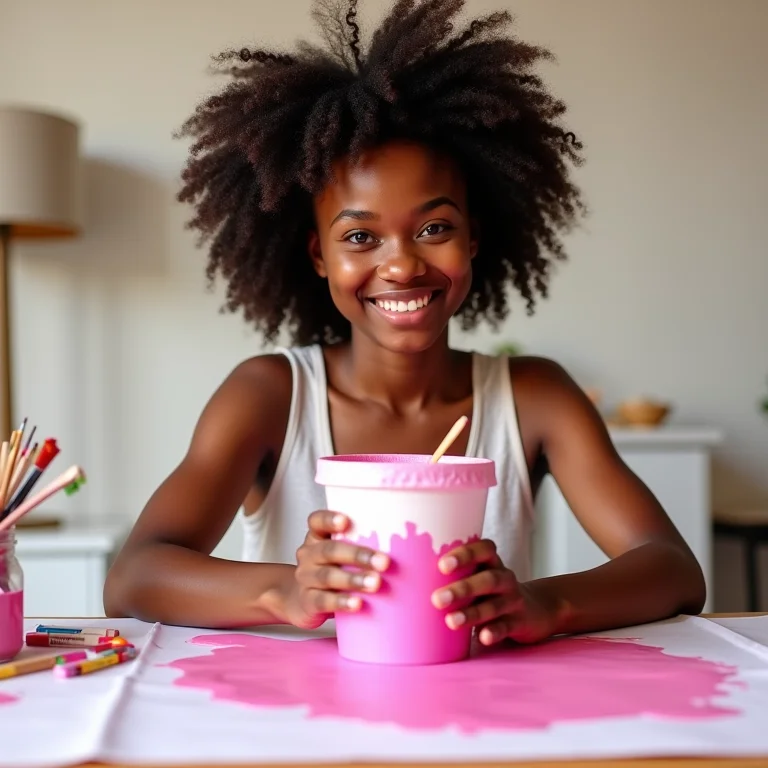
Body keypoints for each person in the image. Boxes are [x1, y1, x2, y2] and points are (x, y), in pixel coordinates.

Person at [103, 0, 705, 645]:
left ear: (473, 239)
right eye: (360, 236)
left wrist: (543, 603)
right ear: (319, 256)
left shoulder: (535, 397)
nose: (401, 265)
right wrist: (283, 589)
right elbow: (133, 576)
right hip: (300, 734)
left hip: (479, 726)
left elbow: (673, 569)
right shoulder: (270, 396)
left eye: (434, 228)